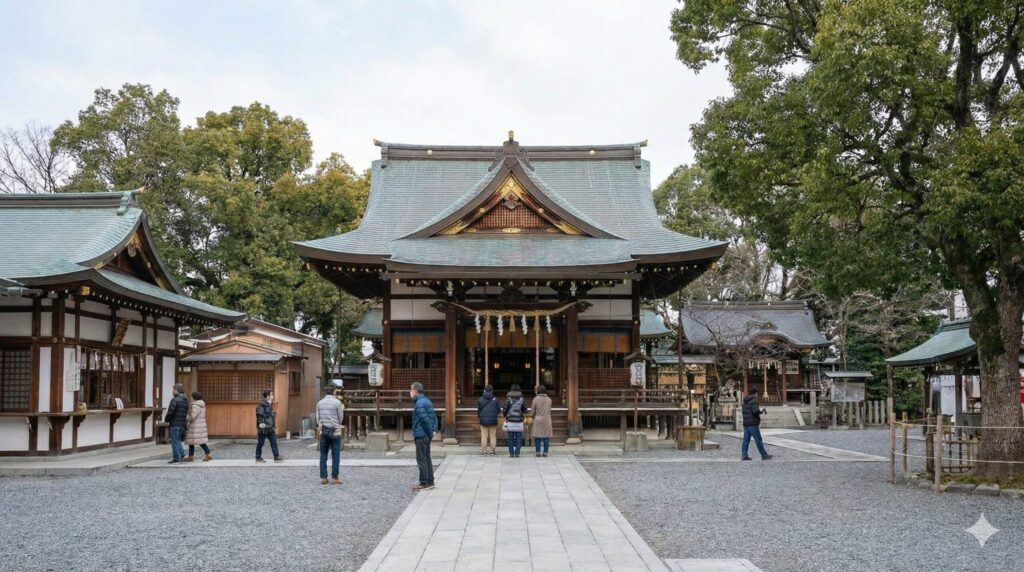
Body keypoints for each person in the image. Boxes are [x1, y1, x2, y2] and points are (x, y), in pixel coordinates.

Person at [410, 382, 438, 491]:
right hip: (427, 435)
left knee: (421, 459)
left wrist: (430, 431)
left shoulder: (419, 403)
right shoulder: (427, 401)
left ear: (415, 391)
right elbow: (435, 418)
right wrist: (434, 430)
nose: (410, 392)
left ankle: (424, 482)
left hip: (421, 434)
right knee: (427, 458)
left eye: (411, 390)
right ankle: (430, 481)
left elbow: (424, 419)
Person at [316, 388, 344, 485]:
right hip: (335, 431)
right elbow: (341, 417)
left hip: (324, 431)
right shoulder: (337, 403)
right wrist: (337, 424)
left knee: (323, 455)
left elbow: (317, 418)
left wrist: (321, 426)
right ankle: (335, 478)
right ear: (333, 393)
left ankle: (324, 477)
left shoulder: (319, 403)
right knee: (335, 455)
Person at [741, 388, 773, 461]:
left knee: (746, 440)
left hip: (746, 423)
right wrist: (761, 411)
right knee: (758, 440)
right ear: (755, 393)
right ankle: (764, 455)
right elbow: (755, 411)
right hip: (753, 423)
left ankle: (744, 455)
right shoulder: (754, 400)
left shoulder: (745, 401)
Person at [255, 389, 284, 463]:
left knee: (273, 441)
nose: (273, 396)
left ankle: (276, 456)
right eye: (271, 395)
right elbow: (259, 414)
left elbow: (269, 416)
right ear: (267, 396)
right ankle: (258, 457)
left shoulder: (269, 404)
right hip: (263, 428)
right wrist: (261, 423)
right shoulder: (262, 404)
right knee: (261, 443)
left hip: (270, 427)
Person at [163, 384, 188, 464]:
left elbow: (171, 412)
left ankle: (176, 458)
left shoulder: (175, 400)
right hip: (182, 424)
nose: (172, 392)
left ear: (177, 390)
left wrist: (166, 419)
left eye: (174, 390)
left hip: (175, 423)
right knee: (177, 440)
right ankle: (182, 454)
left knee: (174, 441)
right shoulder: (185, 400)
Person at [185, 391, 212, 462]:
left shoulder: (195, 405)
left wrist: (187, 417)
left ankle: (206, 453)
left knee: (193, 442)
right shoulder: (201, 404)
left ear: (194, 397)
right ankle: (206, 454)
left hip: (195, 426)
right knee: (197, 441)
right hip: (200, 425)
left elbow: (192, 416)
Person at [503, 383, 528, 458]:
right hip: (519, 421)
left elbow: (504, 410)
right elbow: (525, 410)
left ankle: (511, 454)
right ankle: (517, 453)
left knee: (510, 438)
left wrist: (505, 416)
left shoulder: (508, 399)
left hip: (510, 421)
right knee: (518, 438)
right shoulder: (522, 399)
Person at [531, 385, 552, 457]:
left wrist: (532, 416)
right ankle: (545, 452)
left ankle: (538, 452)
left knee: (537, 437)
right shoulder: (549, 399)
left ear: (538, 391)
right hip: (547, 419)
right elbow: (549, 409)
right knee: (546, 437)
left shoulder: (535, 399)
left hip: (538, 419)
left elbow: (533, 411)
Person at [477, 385, 499, 455]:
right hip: (493, 420)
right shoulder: (495, 399)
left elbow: (479, 410)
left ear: (484, 390)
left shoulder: (480, 399)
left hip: (483, 420)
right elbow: (498, 410)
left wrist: (479, 417)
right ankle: (492, 451)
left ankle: (484, 451)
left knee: (484, 435)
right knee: (492, 435)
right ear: (492, 391)